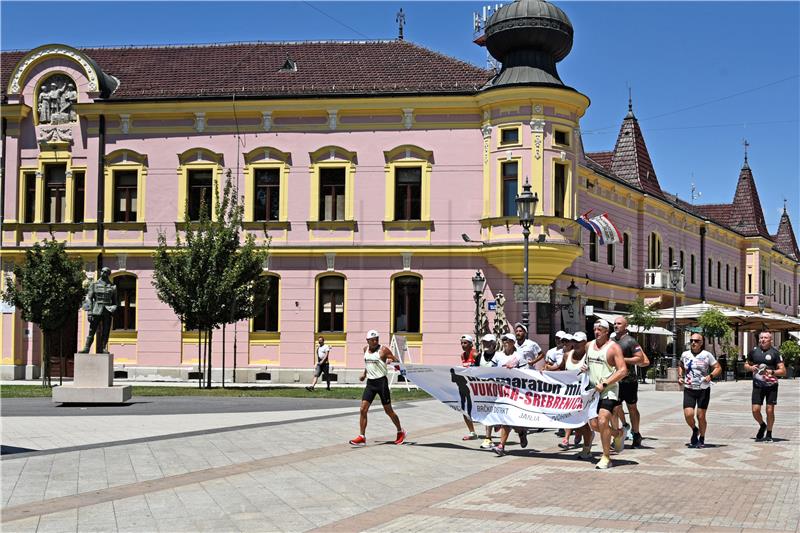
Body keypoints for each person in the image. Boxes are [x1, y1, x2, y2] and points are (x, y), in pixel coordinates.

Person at [349, 330, 406, 447]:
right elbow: (368, 363)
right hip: (370, 383)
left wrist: (391, 360)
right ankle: (362, 437)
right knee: (362, 409)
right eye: (373, 340)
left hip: (381, 383)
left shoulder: (383, 350)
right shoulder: (365, 349)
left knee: (388, 411)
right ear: (368, 341)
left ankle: (400, 431)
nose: (375, 341)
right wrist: (364, 374)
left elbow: (397, 360)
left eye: (377, 339)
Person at [584, 319, 628, 469]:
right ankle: (618, 434)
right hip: (593, 391)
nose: (596, 331)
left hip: (608, 390)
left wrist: (604, 383)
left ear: (606, 331)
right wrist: (584, 367)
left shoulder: (613, 348)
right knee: (595, 424)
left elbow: (623, 370)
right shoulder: (589, 345)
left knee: (603, 420)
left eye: (600, 329)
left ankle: (606, 457)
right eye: (595, 329)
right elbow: (587, 363)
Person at [678, 334, 721, 448]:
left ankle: (701, 437)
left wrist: (710, 376)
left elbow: (718, 368)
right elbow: (681, 365)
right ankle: (694, 429)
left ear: (701, 343)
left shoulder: (707, 355)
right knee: (688, 414)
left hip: (703, 389)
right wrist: (680, 376)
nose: (693, 343)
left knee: (700, 416)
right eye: (691, 340)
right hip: (689, 388)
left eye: (696, 341)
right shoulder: (685, 354)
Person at [491, 333, 529, 456]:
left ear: (513, 342)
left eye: (508, 340)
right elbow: (491, 370)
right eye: (504, 340)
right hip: (501, 391)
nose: (505, 342)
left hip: (515, 392)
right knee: (506, 418)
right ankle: (514, 436)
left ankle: (506, 442)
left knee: (508, 419)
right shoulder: (498, 355)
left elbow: (525, 373)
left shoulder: (518, 356)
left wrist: (513, 370)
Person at [612, 317, 648, 447]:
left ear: (626, 326)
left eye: (619, 324)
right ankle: (616, 436)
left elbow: (640, 359)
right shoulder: (611, 341)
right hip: (615, 381)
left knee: (632, 408)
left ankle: (636, 433)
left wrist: (622, 360)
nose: (616, 325)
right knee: (614, 409)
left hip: (629, 381)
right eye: (615, 323)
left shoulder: (631, 341)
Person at [744, 331, 786, 442]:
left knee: (770, 410)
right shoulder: (754, 352)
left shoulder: (775, 353)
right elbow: (746, 364)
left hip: (771, 386)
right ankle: (762, 425)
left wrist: (772, 372)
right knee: (755, 410)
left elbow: (783, 371)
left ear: (770, 340)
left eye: (765, 338)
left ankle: (769, 433)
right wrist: (750, 368)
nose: (763, 339)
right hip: (757, 385)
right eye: (761, 337)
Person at [558, 331, 590, 451]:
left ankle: (581, 433)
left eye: (578, 342)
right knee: (569, 414)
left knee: (581, 418)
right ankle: (566, 439)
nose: (575, 344)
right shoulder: (567, 355)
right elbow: (560, 368)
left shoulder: (589, 356)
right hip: (569, 391)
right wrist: (546, 371)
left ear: (585, 343)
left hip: (584, 392)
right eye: (574, 342)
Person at [79, 267, 118, 354]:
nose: (103, 273)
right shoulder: (94, 284)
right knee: (92, 330)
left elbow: (115, 302)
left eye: (105, 272)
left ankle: (104, 348)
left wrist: (114, 308)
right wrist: (89, 312)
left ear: (108, 274)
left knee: (106, 330)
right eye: (102, 271)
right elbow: (89, 298)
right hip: (96, 310)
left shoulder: (113, 287)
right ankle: (86, 348)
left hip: (107, 311)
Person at [477, 333, 498, 449]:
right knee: (487, 413)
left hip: (497, 390)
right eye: (484, 342)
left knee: (494, 413)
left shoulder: (499, 356)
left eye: (488, 342)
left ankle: (489, 436)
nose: (486, 344)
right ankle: (488, 438)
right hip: (483, 390)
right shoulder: (479, 356)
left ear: (494, 344)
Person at [458, 334, 478, 440]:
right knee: (464, 409)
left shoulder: (475, 353)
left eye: (465, 343)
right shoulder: (462, 355)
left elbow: (482, 368)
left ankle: (495, 426)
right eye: (461, 343)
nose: (463, 345)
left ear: (471, 344)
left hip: (477, 388)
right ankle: (472, 432)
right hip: (467, 386)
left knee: (480, 408)